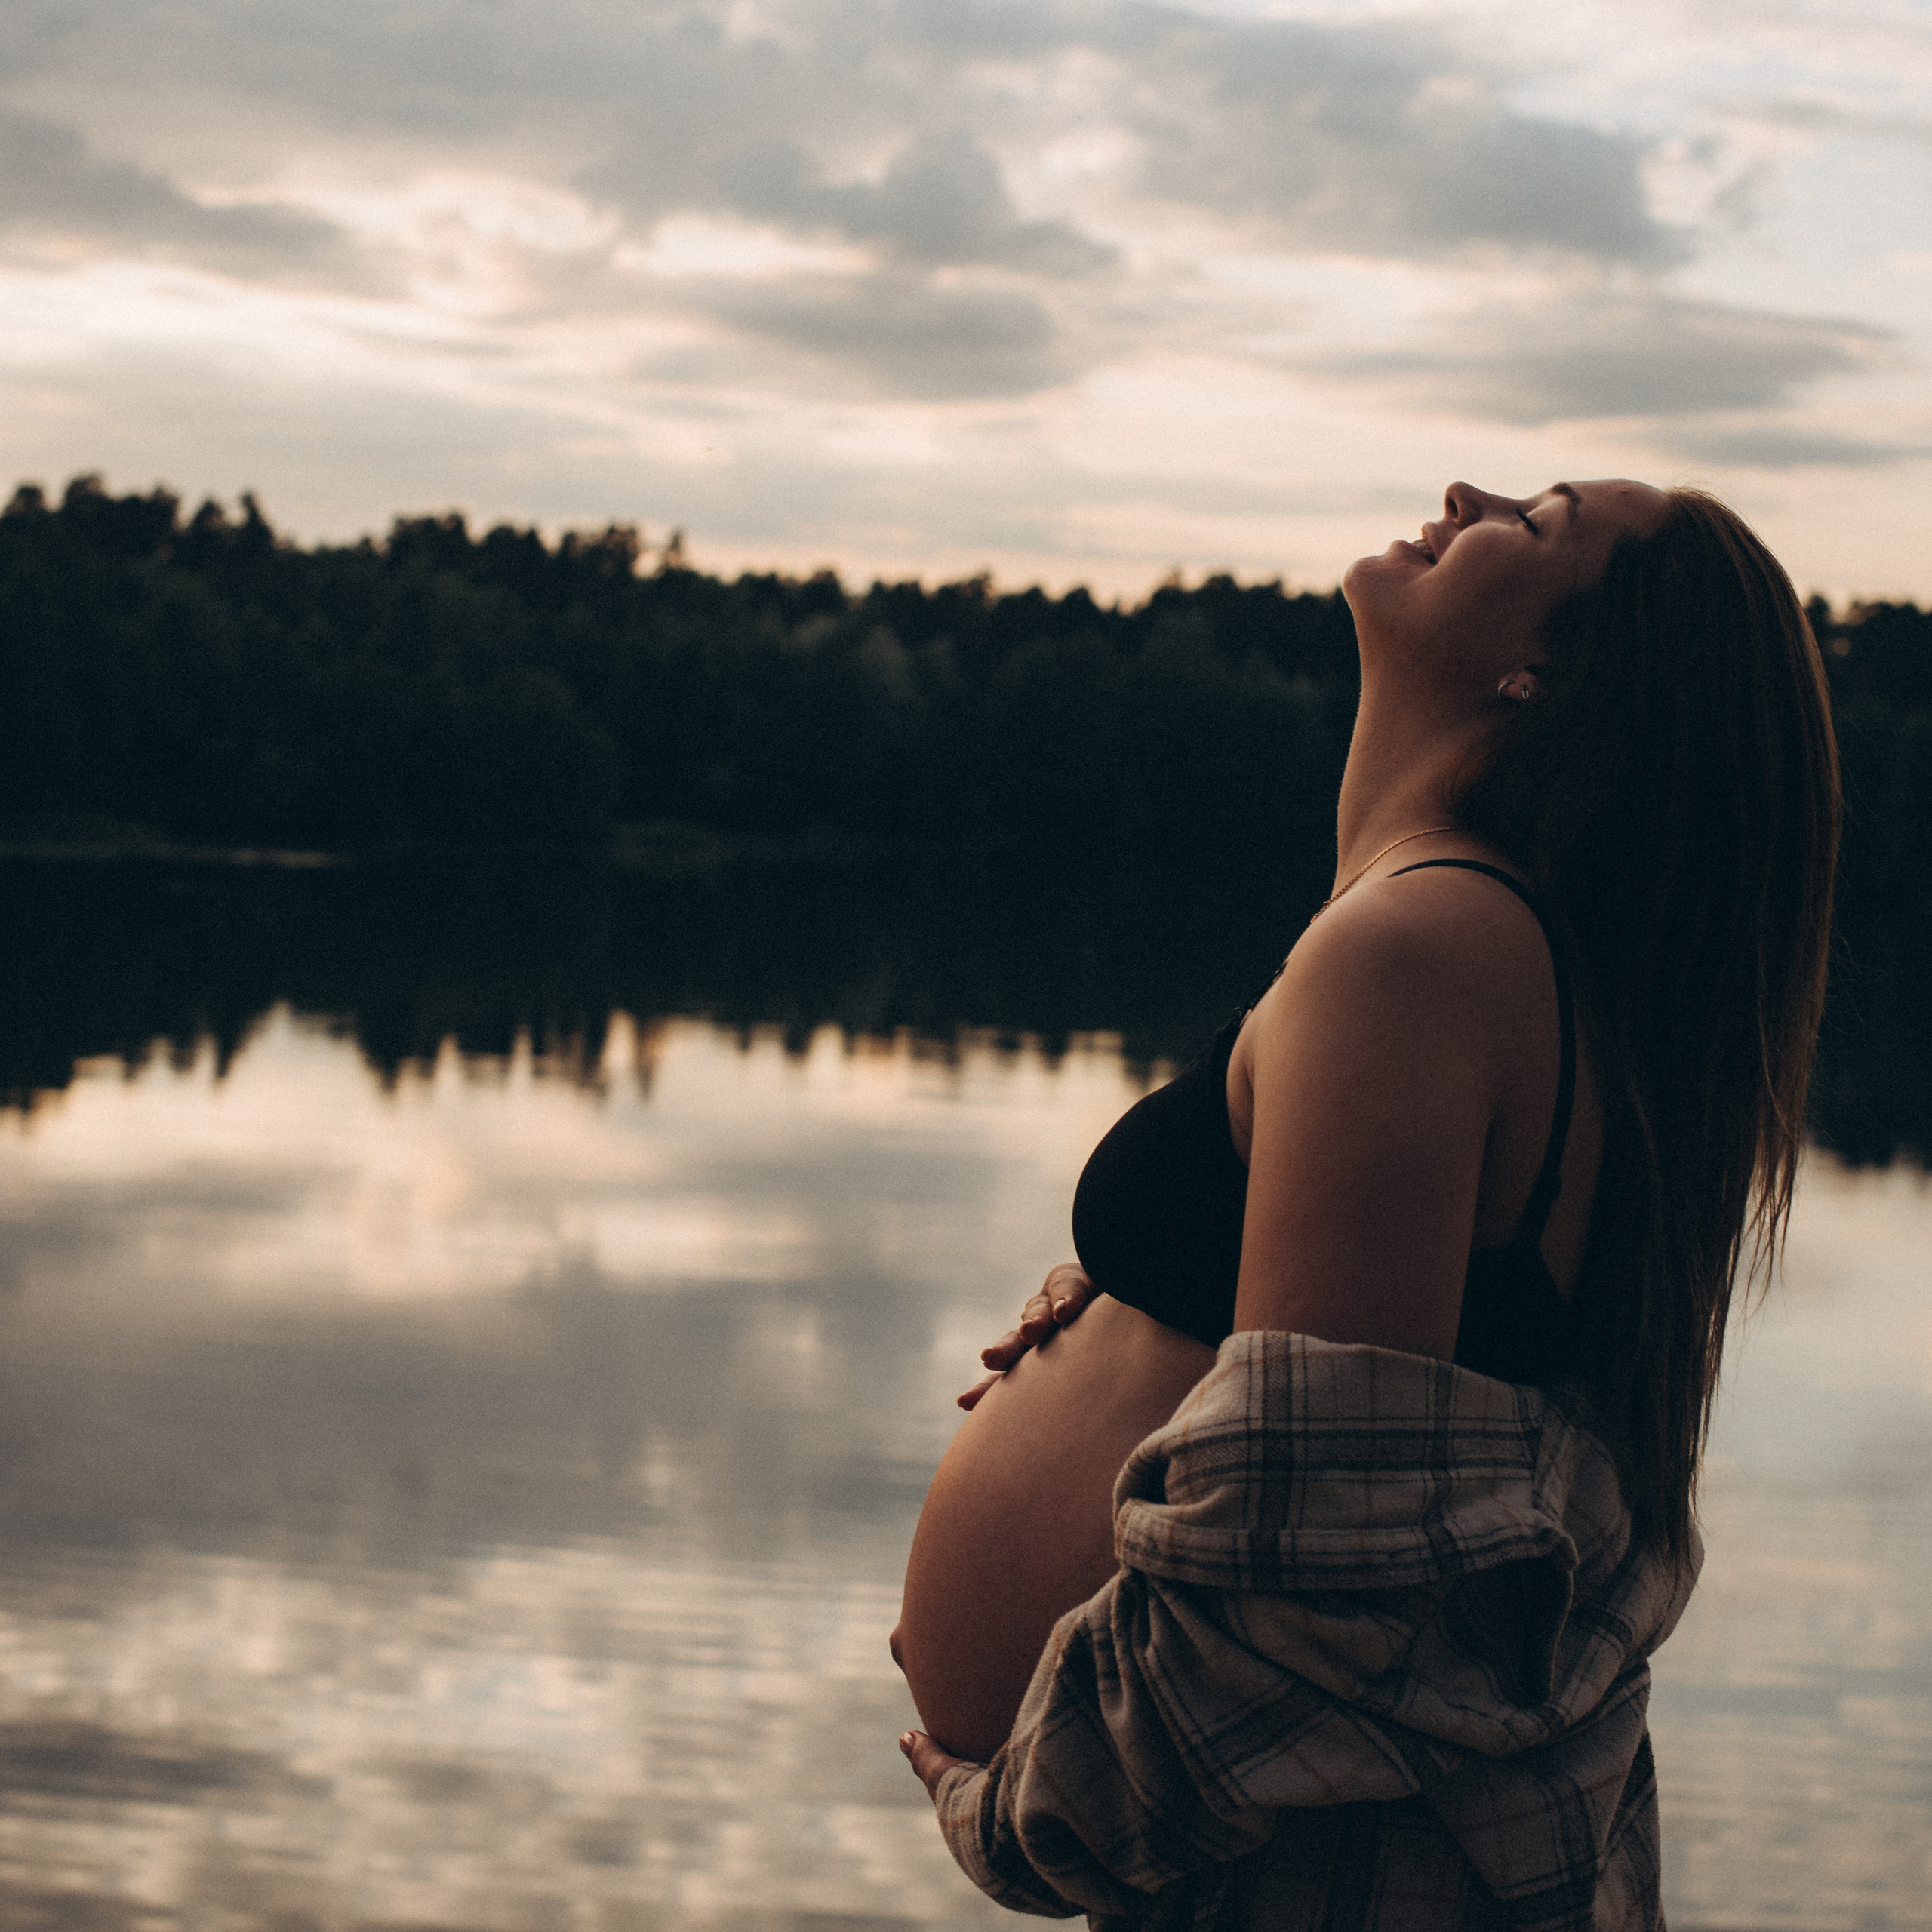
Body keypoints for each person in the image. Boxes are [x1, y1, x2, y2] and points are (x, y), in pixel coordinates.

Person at [889, 481, 1840, 1928]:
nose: (1471, 494)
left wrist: (1015, 1812)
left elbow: (1300, 1587)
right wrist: (1133, 1310)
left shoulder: (1422, 949)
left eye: (1538, 518)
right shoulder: (1456, 941)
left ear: (1551, 674)